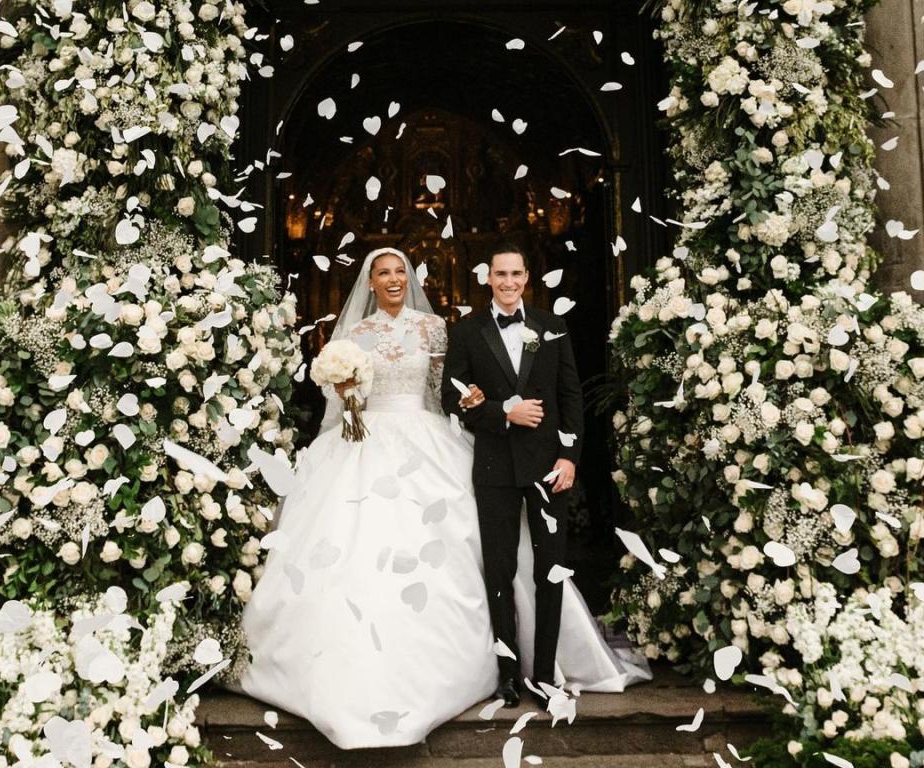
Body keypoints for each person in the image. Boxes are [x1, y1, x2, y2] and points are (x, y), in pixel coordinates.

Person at [237, 247, 648, 750]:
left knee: (495, 557)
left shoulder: (435, 328)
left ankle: (527, 667)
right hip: (360, 446)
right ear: (369, 282)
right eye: (382, 273)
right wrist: (346, 394)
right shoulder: (355, 336)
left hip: (425, 439)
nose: (391, 280)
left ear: (408, 278)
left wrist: (488, 420)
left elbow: (445, 393)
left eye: (398, 272)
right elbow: (348, 402)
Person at [441, 242, 621, 709]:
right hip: (495, 469)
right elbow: (451, 399)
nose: (508, 282)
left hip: (548, 466)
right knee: (499, 570)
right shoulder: (466, 332)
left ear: (527, 277)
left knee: (550, 570)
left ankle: (544, 675)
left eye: (516, 274)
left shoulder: (552, 326)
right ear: (488, 279)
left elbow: (571, 397)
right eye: (499, 274)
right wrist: (504, 413)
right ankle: (507, 675)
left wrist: (570, 458)